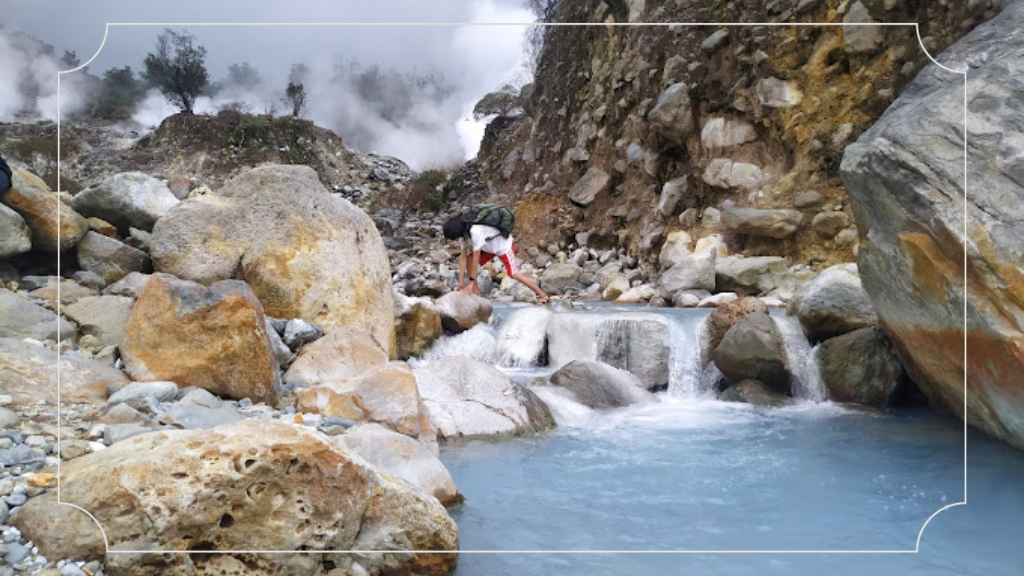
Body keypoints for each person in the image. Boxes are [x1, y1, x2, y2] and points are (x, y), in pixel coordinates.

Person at [443, 207, 549, 305]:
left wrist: (470, 282)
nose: (455, 240)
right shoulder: (463, 236)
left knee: (513, 274)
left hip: (502, 246)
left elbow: (476, 258)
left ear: (457, 233)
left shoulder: (475, 231)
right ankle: (476, 294)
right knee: (469, 259)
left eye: (454, 238)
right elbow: (463, 259)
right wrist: (460, 283)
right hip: (488, 247)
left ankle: (542, 295)